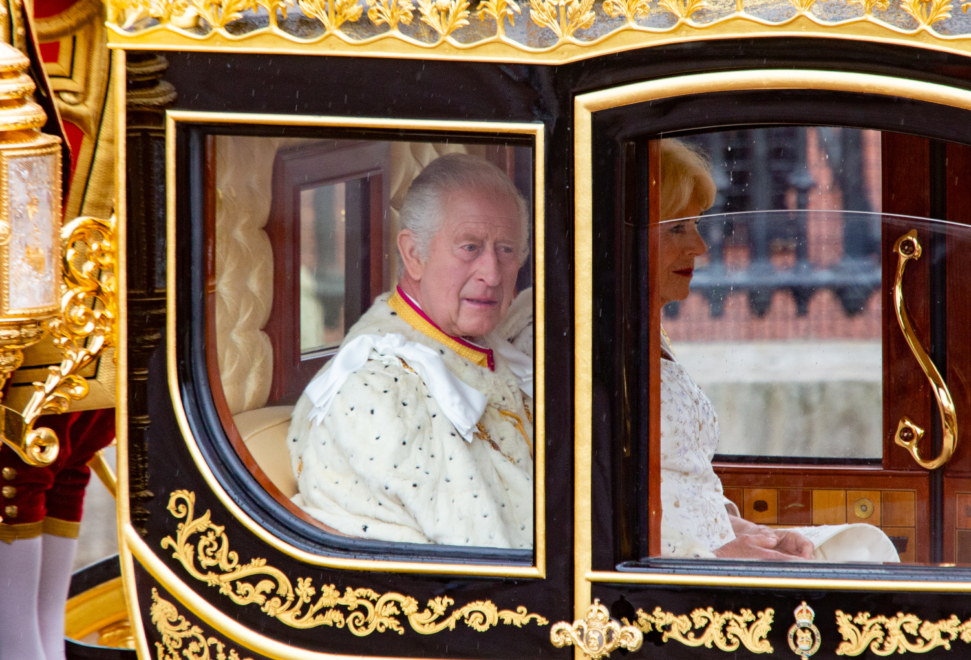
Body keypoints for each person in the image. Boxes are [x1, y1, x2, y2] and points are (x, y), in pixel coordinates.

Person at [656, 139, 898, 562]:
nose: (700, 246)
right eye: (677, 228)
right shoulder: (592, 355)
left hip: (709, 548)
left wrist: (755, 533)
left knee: (862, 547)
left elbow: (684, 490)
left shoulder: (649, 338)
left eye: (695, 225)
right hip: (681, 569)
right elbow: (604, 511)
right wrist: (721, 552)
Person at [287, 153, 534, 549]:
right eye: (470, 247)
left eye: (505, 250)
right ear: (413, 254)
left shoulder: (490, 343)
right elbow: (481, 563)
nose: (491, 273)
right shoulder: (378, 393)